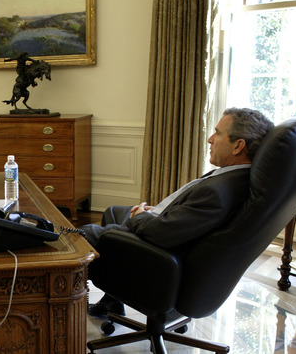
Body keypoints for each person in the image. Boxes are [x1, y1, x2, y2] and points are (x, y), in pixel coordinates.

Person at [82, 108, 274, 317]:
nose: (210, 139)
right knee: (113, 213)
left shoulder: (218, 193)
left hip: (161, 261)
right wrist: (154, 212)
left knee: (83, 236)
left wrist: (141, 217)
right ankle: (112, 302)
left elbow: (162, 234)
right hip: (169, 236)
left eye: (218, 133)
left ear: (238, 146)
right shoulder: (236, 178)